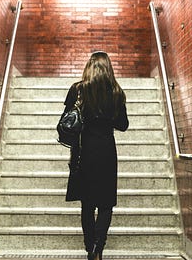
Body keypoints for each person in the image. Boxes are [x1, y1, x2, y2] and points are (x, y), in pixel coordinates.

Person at [60, 51, 129, 260]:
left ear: (89, 66)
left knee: (87, 204)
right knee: (106, 203)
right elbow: (123, 125)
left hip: (83, 151)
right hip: (106, 151)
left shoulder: (78, 89)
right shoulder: (116, 92)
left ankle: (90, 247)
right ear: (109, 68)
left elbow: (66, 120)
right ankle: (99, 249)